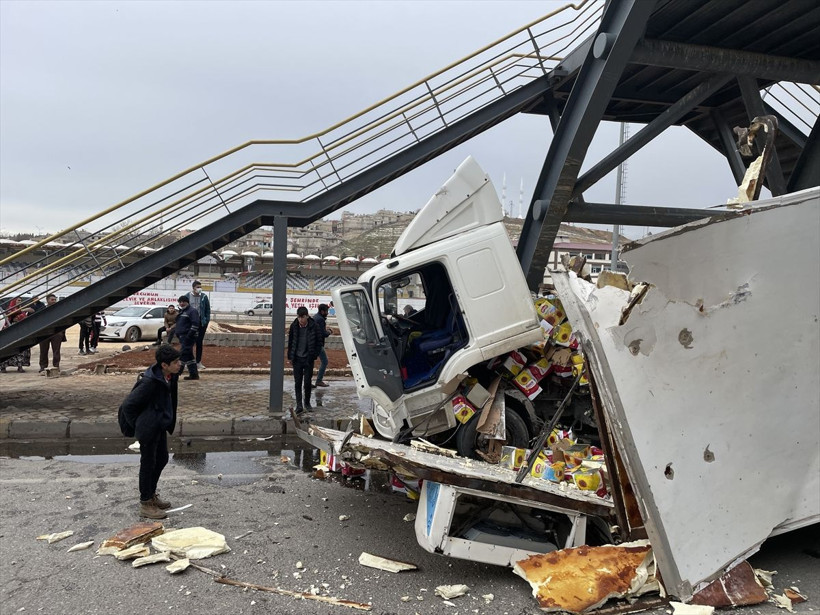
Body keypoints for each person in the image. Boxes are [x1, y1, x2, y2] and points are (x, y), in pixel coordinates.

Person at [120, 344, 181, 519]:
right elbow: (128, 405)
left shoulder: (168, 375)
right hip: (149, 429)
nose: (179, 365)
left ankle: (151, 494)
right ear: (164, 365)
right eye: (175, 362)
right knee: (148, 463)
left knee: (161, 458)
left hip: (159, 424)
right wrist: (140, 426)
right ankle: (145, 503)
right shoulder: (149, 383)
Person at [287, 305, 321, 413]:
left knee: (307, 382)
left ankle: (307, 403)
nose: (301, 320)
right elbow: (291, 341)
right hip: (297, 359)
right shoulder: (294, 326)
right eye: (299, 317)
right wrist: (290, 356)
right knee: (298, 382)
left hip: (308, 359)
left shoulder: (314, 326)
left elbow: (319, 342)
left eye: (302, 317)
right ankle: (299, 405)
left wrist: (314, 354)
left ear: (307, 316)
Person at [0, 297, 34, 373]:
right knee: (8, 348)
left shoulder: (20, 309)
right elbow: (12, 313)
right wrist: (25, 310)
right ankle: (3, 367)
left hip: (20, 331)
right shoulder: (10, 309)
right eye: (18, 300)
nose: (20, 302)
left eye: (21, 300)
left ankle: (20, 366)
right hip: (10, 331)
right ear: (14, 301)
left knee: (21, 349)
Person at [185, 280, 210, 370]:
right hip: (190, 322)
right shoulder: (187, 296)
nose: (199, 289)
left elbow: (207, 310)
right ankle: (188, 362)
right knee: (188, 342)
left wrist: (206, 321)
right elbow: (183, 308)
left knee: (199, 342)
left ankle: (198, 362)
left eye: (200, 287)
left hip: (200, 322)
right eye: (197, 287)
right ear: (193, 288)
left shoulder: (204, 297)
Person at [38, 294, 66, 373]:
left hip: (56, 333)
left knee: (56, 351)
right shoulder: (42, 309)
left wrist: (61, 333)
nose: (54, 301)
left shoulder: (59, 309)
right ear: (47, 300)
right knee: (43, 351)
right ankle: (43, 367)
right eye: (52, 300)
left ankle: (56, 366)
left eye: (54, 300)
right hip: (44, 333)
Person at [175, 295, 200, 380]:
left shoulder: (192, 311)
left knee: (182, 354)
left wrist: (189, 336)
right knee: (189, 356)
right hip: (182, 336)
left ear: (187, 302)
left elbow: (195, 324)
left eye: (183, 302)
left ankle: (176, 373)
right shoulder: (182, 311)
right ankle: (194, 374)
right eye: (180, 302)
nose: (181, 303)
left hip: (188, 337)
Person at [313, 303, 333, 387]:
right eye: (327, 311)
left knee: (310, 363)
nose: (327, 313)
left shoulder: (316, 317)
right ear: (322, 311)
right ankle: (319, 380)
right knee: (324, 361)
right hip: (317, 344)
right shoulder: (320, 319)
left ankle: (309, 382)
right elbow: (322, 333)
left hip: (313, 343)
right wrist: (329, 332)